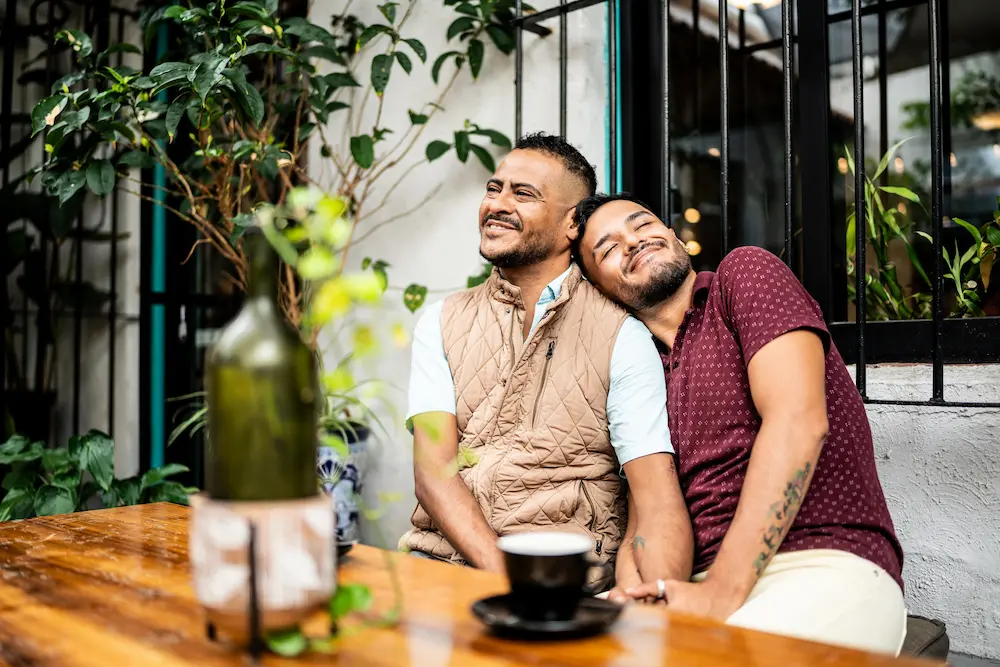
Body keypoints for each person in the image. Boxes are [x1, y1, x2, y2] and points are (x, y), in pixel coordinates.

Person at [571, 192, 906, 654]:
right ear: (597, 287)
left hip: (822, 562)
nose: (633, 242)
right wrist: (637, 597)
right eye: (608, 249)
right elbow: (644, 517)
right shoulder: (636, 369)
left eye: (642, 224)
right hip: (699, 589)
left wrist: (718, 594)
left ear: (671, 234)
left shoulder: (741, 276)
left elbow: (799, 421)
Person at [399, 135, 692, 592]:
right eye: (494, 189)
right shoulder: (441, 321)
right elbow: (433, 473)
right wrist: (508, 582)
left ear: (572, 223)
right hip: (438, 567)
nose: (497, 204)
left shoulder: (621, 336)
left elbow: (654, 498)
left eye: (524, 194)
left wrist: (653, 609)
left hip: (564, 586)